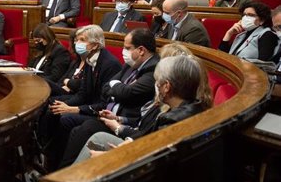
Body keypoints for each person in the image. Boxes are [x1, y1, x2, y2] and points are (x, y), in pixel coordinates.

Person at [72, 56, 205, 165]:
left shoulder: (171, 121)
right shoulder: (195, 107)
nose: (156, 86)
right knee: (99, 137)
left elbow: (154, 162)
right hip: (141, 150)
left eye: (158, 81)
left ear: (166, 87)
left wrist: (110, 158)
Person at [58, 28, 160, 168]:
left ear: (141, 50)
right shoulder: (131, 64)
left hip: (126, 123)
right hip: (111, 115)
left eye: (127, 48)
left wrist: (119, 117)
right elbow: (106, 87)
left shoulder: (152, 69)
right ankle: (58, 166)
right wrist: (118, 89)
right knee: (68, 121)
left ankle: (63, 172)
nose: (123, 52)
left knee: (83, 127)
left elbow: (127, 93)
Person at [39, 25, 121, 169]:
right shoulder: (90, 59)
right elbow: (83, 93)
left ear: (95, 45)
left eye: (82, 40)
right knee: (55, 107)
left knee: (65, 118)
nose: (77, 43)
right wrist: (67, 106)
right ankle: (47, 155)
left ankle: (60, 164)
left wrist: (74, 110)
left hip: (100, 112)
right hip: (88, 104)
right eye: (77, 40)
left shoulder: (110, 64)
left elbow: (104, 103)